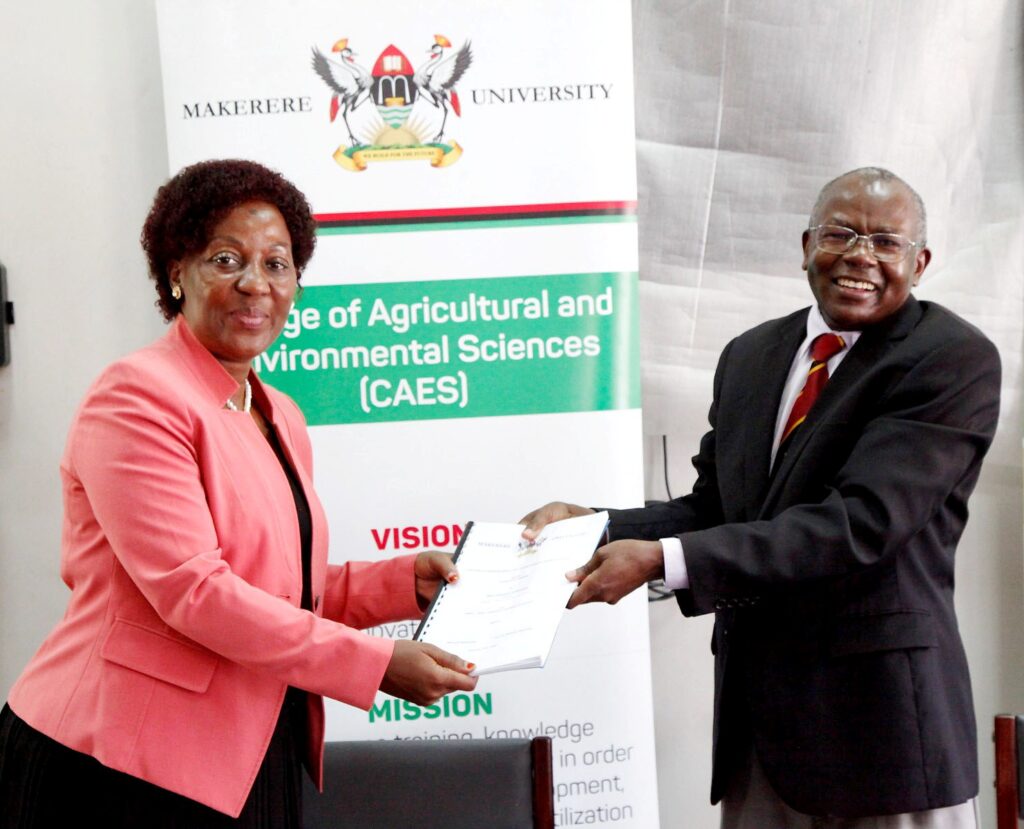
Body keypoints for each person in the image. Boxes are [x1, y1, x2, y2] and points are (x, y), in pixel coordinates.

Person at [0, 159, 477, 827]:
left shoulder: (277, 410)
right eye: (226, 259)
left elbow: (278, 586)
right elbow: (196, 591)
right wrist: (372, 664)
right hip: (120, 762)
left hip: (252, 745)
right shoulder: (136, 396)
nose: (256, 284)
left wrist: (404, 585)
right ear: (177, 272)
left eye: (277, 264)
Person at [521, 168, 1001, 828]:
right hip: (760, 741)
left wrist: (662, 559)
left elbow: (861, 524)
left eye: (886, 241)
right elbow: (718, 509)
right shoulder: (749, 356)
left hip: (884, 739)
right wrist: (595, 528)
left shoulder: (951, 359)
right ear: (806, 246)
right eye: (841, 233)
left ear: (919, 263)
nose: (861, 254)